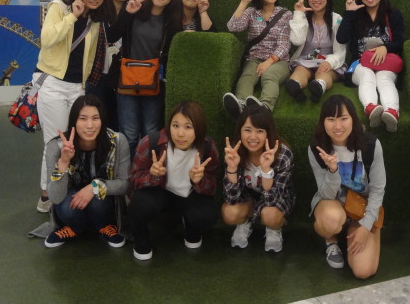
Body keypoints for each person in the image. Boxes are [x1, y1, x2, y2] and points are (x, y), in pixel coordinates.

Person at [35, 0, 109, 213]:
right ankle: (47, 194)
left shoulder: (95, 20)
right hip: (53, 85)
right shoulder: (59, 7)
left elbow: (89, 58)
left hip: (77, 87)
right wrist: (72, 17)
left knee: (75, 140)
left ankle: (66, 188)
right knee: (55, 143)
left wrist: (84, 85)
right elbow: (47, 39)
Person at [126, 101, 219, 261]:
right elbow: (133, 180)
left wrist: (199, 180)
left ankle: (190, 224)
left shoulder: (208, 147)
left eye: (188, 127)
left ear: (198, 128)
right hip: (159, 192)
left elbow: (212, 187)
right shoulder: (151, 142)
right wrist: (152, 175)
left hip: (189, 194)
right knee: (139, 206)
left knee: (206, 216)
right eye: (175, 126)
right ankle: (141, 238)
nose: (180, 133)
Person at [309, 95, 385, 279]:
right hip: (331, 204)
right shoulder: (317, 148)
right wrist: (333, 170)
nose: (337, 126)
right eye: (331, 119)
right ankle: (331, 241)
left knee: (363, 271)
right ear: (323, 121)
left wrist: (366, 226)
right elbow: (326, 194)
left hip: (361, 208)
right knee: (331, 219)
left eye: (343, 118)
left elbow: (377, 189)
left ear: (353, 119)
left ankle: (356, 231)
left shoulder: (370, 144)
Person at [108, 0, 181, 154]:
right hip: (127, 80)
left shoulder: (172, 22)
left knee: (151, 132)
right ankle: (128, 171)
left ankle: (148, 171)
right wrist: (127, 13)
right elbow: (111, 36)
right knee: (129, 134)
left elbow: (172, 55)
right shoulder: (135, 9)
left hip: (154, 83)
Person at [43, 95, 130, 249]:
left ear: (102, 120)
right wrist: (63, 163)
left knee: (98, 202)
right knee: (67, 208)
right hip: (70, 198)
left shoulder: (117, 141)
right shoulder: (56, 146)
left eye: (95, 118)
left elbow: (124, 185)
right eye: (83, 118)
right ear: (74, 121)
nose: (90, 125)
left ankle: (103, 225)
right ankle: (74, 227)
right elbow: (55, 197)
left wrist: (94, 187)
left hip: (102, 200)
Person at [335, 0, 405, 132]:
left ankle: (392, 112)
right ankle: (371, 108)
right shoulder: (355, 15)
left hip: (386, 62)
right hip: (360, 62)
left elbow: (400, 41)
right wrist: (349, 13)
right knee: (367, 75)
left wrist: (385, 48)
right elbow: (341, 38)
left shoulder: (393, 14)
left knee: (384, 78)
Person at [222, 105, 294, 253]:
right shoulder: (235, 152)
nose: (253, 137)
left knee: (270, 215)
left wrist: (266, 170)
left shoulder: (282, 154)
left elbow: (274, 200)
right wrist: (232, 168)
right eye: (247, 130)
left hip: (276, 199)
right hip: (247, 197)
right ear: (240, 131)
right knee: (229, 213)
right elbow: (231, 198)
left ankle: (273, 228)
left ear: (268, 133)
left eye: (260, 131)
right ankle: (244, 222)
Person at [223, 0, 292, 116]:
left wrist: (268, 62)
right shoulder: (251, 12)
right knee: (247, 77)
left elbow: (284, 45)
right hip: (254, 59)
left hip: (279, 61)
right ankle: (241, 105)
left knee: (269, 76)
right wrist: (244, 2)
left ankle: (265, 107)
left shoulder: (286, 14)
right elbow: (233, 27)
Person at [284, 0, 346, 103]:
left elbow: (341, 49)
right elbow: (296, 41)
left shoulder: (337, 19)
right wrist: (298, 14)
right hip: (305, 60)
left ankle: (318, 87)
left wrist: (330, 62)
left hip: (327, 61)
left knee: (324, 74)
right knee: (300, 71)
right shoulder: (302, 18)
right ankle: (295, 87)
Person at [86, 0, 131, 131]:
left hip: (122, 74)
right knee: (96, 115)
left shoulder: (133, 12)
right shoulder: (99, 12)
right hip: (97, 73)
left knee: (118, 119)